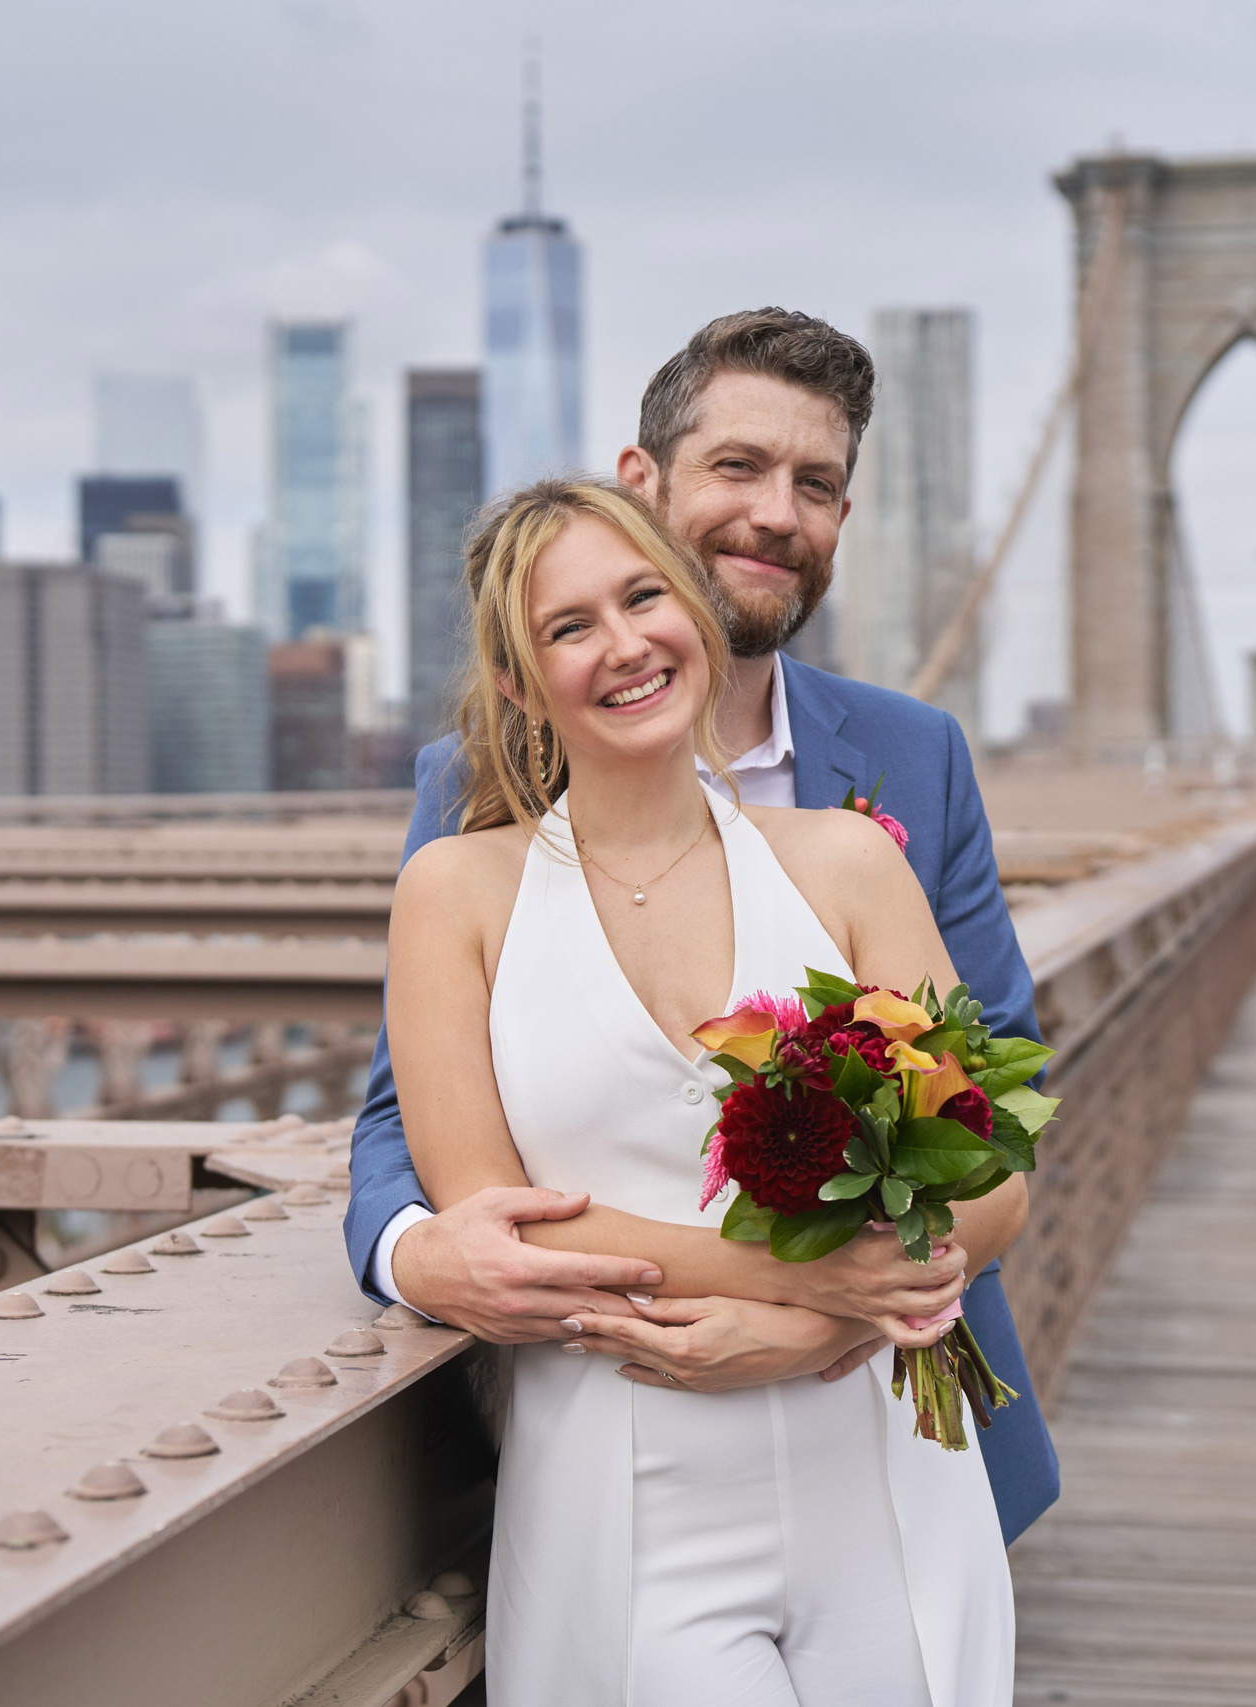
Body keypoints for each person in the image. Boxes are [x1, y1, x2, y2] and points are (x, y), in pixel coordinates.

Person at [347, 307, 1062, 1543]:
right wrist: (413, 1255)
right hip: (626, 1438)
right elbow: (395, 1117)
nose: (777, 513)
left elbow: (996, 1106)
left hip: (899, 1417)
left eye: (817, 484)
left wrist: (825, 1319)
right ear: (642, 485)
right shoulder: (471, 786)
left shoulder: (912, 758)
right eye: (738, 466)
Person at [390, 476, 1011, 1703]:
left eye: (642, 598)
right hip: (620, 1492)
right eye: (568, 629)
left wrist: (812, 1331)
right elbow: (501, 1218)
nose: (623, 645)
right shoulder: (455, 895)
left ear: (695, 613)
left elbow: (994, 1187)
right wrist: (813, 1275)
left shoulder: (848, 863)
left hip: (882, 1467)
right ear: (517, 683)